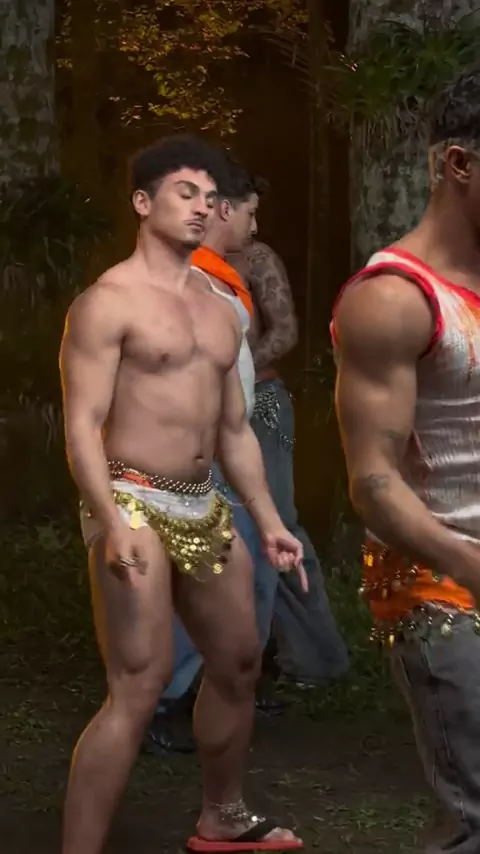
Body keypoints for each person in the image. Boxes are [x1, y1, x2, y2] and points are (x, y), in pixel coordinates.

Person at [59, 134, 306, 854]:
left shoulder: (222, 307)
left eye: (211, 196)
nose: (203, 207)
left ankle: (222, 817)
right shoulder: (107, 302)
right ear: (143, 202)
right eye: (185, 193)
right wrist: (111, 521)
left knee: (238, 662)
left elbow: (233, 429)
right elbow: (82, 426)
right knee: (140, 683)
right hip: (130, 496)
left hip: (202, 501)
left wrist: (269, 520)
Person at [332, 68, 480, 854]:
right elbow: (373, 481)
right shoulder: (393, 299)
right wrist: (472, 563)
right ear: (460, 164)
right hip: (447, 589)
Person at [145, 164, 280, 756]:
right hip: (193, 467)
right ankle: (159, 702)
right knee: (199, 589)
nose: (254, 225)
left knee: (244, 579)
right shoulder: (188, 279)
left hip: (228, 450)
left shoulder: (218, 281)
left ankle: (214, 690)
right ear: (226, 209)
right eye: (250, 211)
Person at [232, 241, 349, 685]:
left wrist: (234, 371)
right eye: (249, 211)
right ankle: (230, 658)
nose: (254, 224)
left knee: (277, 524)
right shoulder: (183, 257)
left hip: (260, 403)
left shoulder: (255, 258)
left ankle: (315, 658)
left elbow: (285, 331)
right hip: (205, 412)